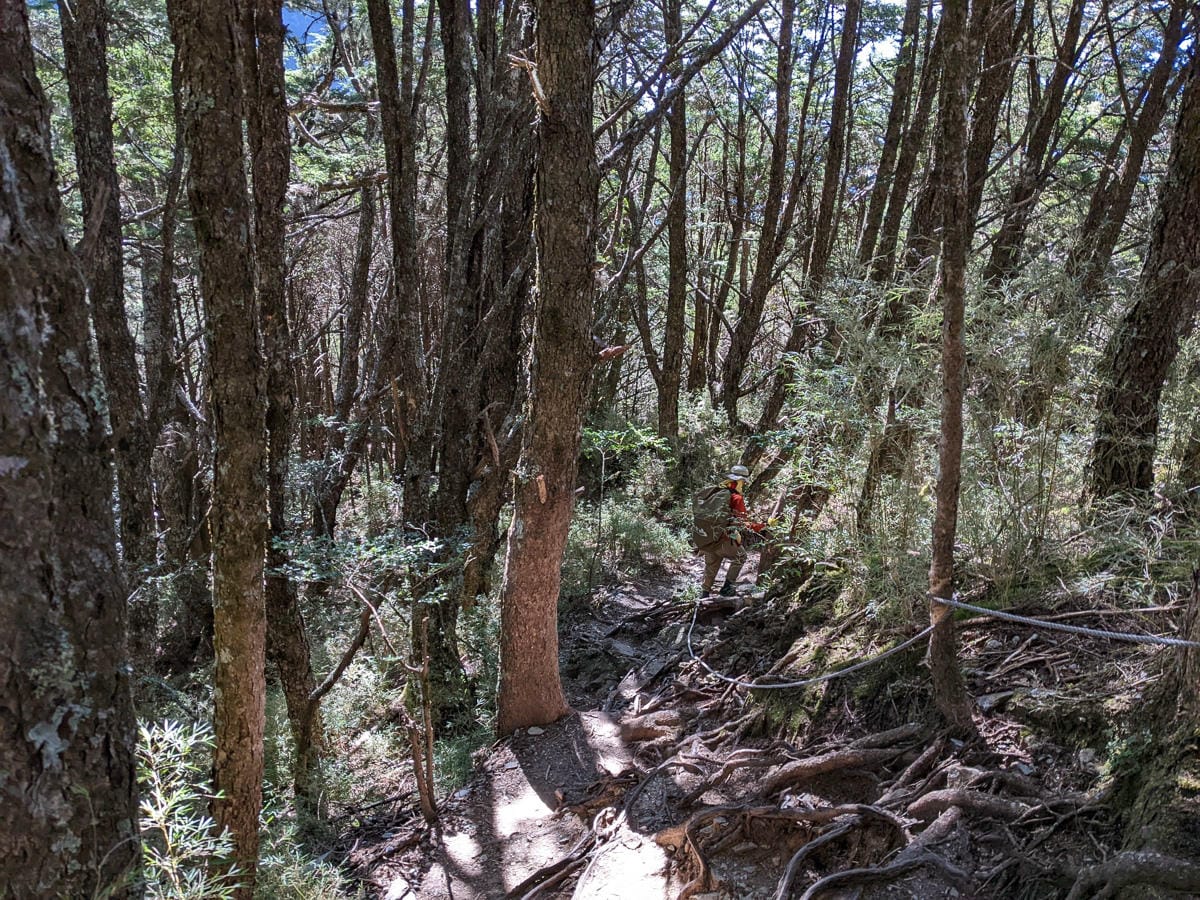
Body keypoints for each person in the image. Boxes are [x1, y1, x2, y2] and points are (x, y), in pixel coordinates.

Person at [692, 464, 768, 596]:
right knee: (741, 556)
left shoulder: (716, 492)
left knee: (711, 565)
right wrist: (763, 526)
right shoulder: (736, 497)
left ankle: (704, 594)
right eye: (743, 481)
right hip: (723, 538)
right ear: (740, 481)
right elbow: (744, 523)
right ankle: (727, 588)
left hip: (708, 537)